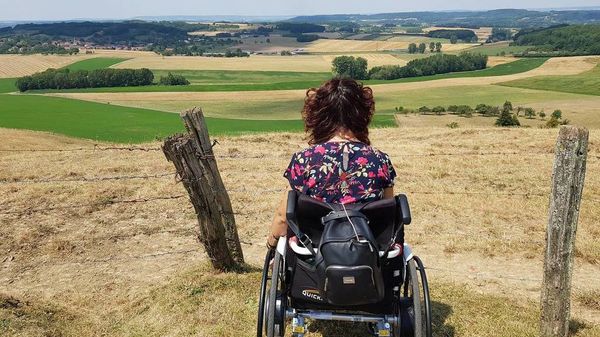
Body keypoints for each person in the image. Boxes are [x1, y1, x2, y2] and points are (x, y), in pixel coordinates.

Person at [266, 78, 397, 249]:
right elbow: (388, 216)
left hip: (314, 255)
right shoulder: (379, 160)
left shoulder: (304, 160)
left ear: (318, 115)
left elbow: (283, 218)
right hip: (367, 253)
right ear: (362, 114)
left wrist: (270, 246)